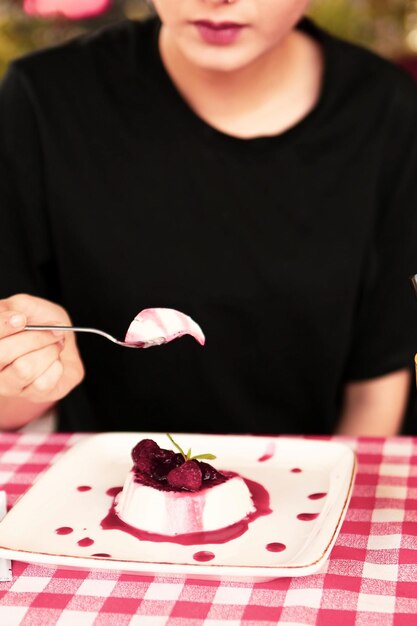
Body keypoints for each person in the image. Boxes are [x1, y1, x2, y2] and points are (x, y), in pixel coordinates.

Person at [1, 0, 417, 436]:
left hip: (317, 487)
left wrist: (334, 501)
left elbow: (379, 383)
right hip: (106, 489)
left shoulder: (386, 111)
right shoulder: (45, 100)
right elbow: (9, 400)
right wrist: (27, 372)